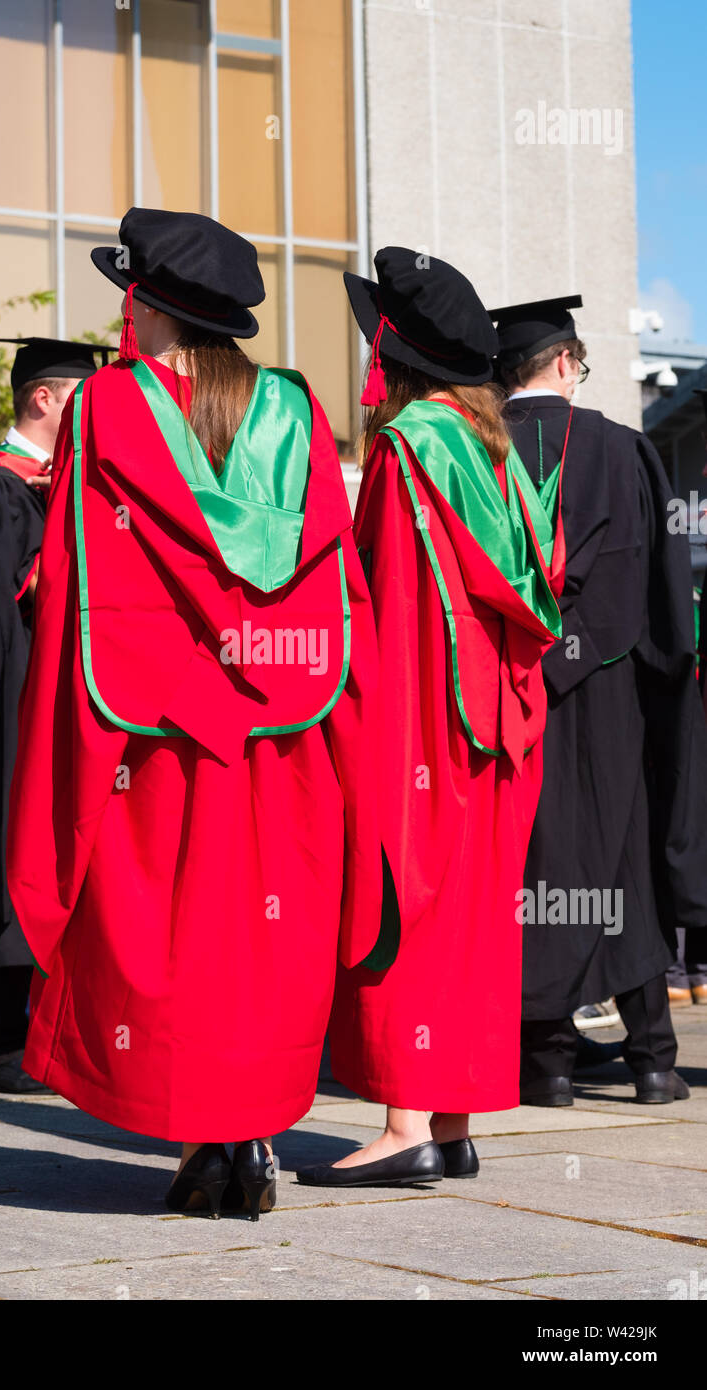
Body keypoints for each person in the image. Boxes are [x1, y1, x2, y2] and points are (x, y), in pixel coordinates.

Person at [6, 207, 383, 1218]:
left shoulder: (103, 409)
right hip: (281, 725)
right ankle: (245, 1136)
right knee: (265, 937)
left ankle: (202, 1141)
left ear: (144, 302)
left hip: (153, 730)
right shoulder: (295, 410)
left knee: (173, 935)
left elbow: (79, 576)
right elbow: (334, 576)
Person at [299, 250, 561, 1191]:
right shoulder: (496, 451)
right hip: (499, 727)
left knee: (405, 901)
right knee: (472, 921)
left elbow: (389, 596)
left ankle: (404, 1123)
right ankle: (450, 1122)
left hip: (422, 720)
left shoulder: (412, 444)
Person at [492, 294, 707, 1105]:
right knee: (621, 855)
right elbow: (660, 589)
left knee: (540, 863)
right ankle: (652, 1058)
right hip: (613, 689)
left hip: (512, 691)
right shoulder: (623, 448)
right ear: (563, 361)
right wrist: (661, 677)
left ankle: (546, 1064)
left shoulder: (477, 449)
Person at [0, 338, 113, 1093]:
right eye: (83, 394)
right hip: (10, 714)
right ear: (44, 398)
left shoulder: (55, 483)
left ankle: (55, 1040)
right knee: (14, 860)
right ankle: (8, 1047)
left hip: (56, 710)